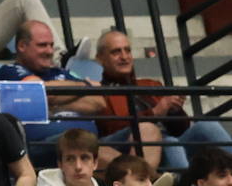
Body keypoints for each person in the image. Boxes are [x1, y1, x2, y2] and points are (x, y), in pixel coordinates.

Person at [96, 28, 230, 171]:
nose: (124, 56)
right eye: (116, 52)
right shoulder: (98, 92)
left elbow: (181, 130)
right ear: (100, 58)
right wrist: (155, 112)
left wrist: (175, 110)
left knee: (207, 126)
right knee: (170, 143)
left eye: (127, 50)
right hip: (133, 150)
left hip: (172, 143)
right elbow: (111, 128)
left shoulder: (150, 84)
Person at [0, 21, 103, 169]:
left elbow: (98, 102)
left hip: (87, 143)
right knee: (101, 155)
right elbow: (41, 91)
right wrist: (85, 85)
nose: (49, 51)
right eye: (42, 45)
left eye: (51, 45)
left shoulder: (61, 73)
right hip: (41, 148)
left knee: (144, 130)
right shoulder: (10, 71)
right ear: (22, 46)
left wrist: (51, 102)